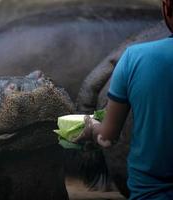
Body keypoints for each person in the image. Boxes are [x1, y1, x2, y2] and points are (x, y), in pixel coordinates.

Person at [76, 0, 173, 199]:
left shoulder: (134, 56)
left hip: (149, 193)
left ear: (166, 8)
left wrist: (88, 126)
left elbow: (107, 137)